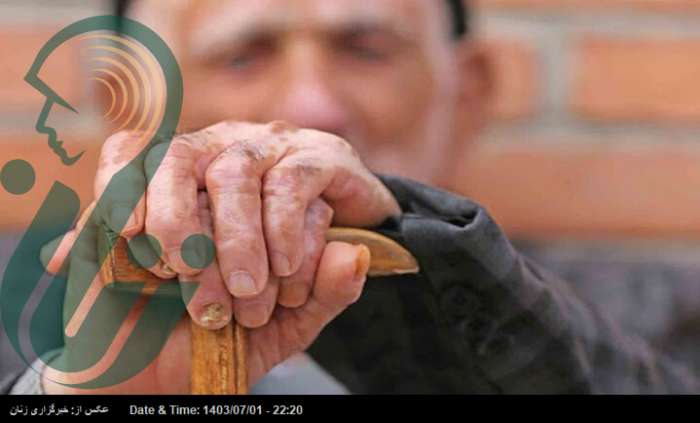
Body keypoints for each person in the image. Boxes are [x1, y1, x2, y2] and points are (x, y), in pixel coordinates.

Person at [3, 0, 699, 394]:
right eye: (242, 55)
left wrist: (415, 275)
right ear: (128, 108)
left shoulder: (659, 323)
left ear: (468, 93)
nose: (314, 107)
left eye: (367, 49)